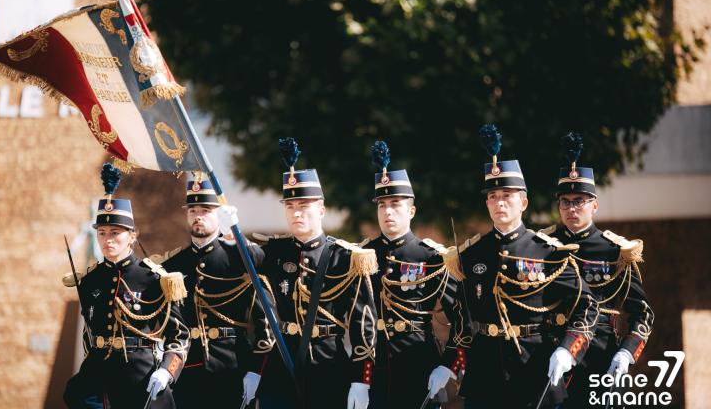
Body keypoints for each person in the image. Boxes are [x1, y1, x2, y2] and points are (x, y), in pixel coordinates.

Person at [438, 125, 599, 408]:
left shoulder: (548, 251)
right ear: (486, 203)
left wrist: (568, 350)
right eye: (493, 197)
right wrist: (448, 363)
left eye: (507, 196)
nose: (499, 203)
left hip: (534, 371)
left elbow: (587, 305)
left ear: (523, 202)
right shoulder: (471, 254)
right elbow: (462, 320)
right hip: (484, 378)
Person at [244, 138, 379, 409]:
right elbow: (234, 261)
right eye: (290, 207)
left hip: (329, 368)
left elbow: (364, 324)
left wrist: (361, 380)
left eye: (304, 206)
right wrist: (228, 227)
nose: (297, 213)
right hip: (281, 369)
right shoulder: (273, 252)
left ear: (321, 209)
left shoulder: (347, 258)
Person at [63, 163, 189, 408]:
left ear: (132, 235)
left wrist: (166, 371)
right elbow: (90, 335)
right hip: (97, 378)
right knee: (74, 394)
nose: (108, 240)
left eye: (115, 233)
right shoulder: (90, 281)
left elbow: (180, 336)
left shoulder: (154, 278)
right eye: (102, 233)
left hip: (140, 375)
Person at [543, 132, 654, 408]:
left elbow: (643, 313)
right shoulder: (543, 245)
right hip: (548, 356)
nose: (571, 208)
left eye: (579, 200)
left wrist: (627, 353)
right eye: (565, 201)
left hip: (599, 357)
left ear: (594, 205)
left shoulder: (614, 251)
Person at [363, 141, 469, 409]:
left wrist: (448, 365)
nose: (387, 211)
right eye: (382, 204)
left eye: (395, 204)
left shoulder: (431, 258)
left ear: (411, 211)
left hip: (418, 365)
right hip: (371, 367)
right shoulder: (362, 257)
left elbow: (463, 317)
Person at [160, 172, 269, 408]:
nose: (198, 217)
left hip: (233, 367)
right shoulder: (172, 266)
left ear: (219, 215)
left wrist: (235, 234)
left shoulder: (238, 257)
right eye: (193, 211)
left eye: (206, 211)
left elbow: (261, 263)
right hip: (188, 371)